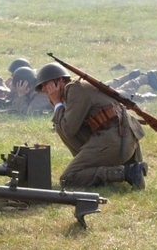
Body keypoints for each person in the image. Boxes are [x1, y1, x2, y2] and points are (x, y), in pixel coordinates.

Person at [35, 62, 148, 190]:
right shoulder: (75, 88)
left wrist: (57, 103)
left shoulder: (75, 89)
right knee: (61, 125)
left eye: (45, 84)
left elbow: (68, 130)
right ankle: (102, 169)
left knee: (68, 178)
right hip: (123, 139)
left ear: (59, 80)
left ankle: (127, 173)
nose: (44, 89)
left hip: (117, 141)